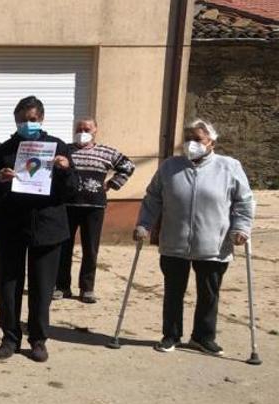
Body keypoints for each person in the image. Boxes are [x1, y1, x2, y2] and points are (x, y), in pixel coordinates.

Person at [135, 119, 254, 356]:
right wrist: (143, 224)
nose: (191, 144)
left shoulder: (229, 167)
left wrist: (241, 228)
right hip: (174, 241)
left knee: (209, 293)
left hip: (214, 243)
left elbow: (244, 201)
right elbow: (153, 198)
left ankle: (203, 337)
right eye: (187, 139)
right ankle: (171, 335)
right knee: (173, 292)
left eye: (197, 139)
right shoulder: (170, 167)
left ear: (211, 142)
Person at [0, 96, 77, 363]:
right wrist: (0, 181)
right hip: (12, 227)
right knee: (9, 286)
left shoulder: (58, 147)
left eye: (33, 119)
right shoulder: (5, 149)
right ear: (16, 121)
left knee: (42, 288)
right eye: (23, 119)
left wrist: (65, 170)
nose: (28, 124)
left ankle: (38, 339)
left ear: (42, 119)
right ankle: (10, 338)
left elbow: (71, 190)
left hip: (48, 228)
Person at [55, 117, 136, 303]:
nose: (83, 131)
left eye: (87, 129)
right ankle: (61, 286)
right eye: (79, 128)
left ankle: (87, 288)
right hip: (67, 206)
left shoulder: (106, 152)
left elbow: (128, 166)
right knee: (63, 248)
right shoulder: (65, 151)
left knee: (90, 249)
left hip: (94, 207)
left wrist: (113, 184)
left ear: (95, 130)